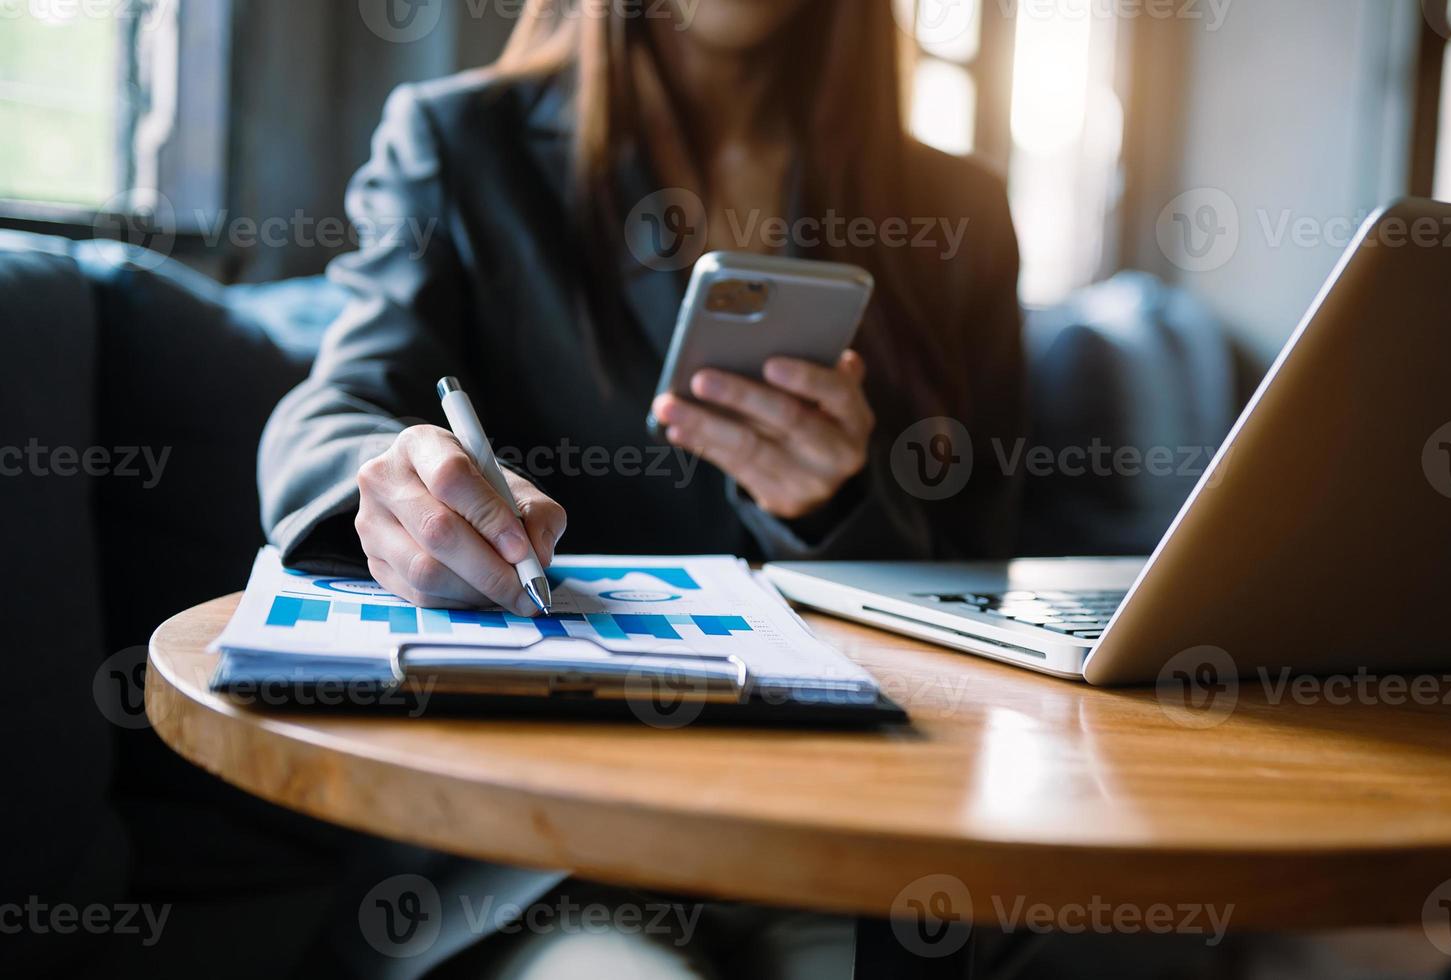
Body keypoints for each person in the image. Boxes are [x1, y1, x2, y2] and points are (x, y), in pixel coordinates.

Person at [258, 0, 1022, 973]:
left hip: (843, 835)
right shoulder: (460, 143)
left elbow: (989, 566)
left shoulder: (956, 210)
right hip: (551, 851)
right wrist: (395, 486)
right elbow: (335, 410)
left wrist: (835, 507)